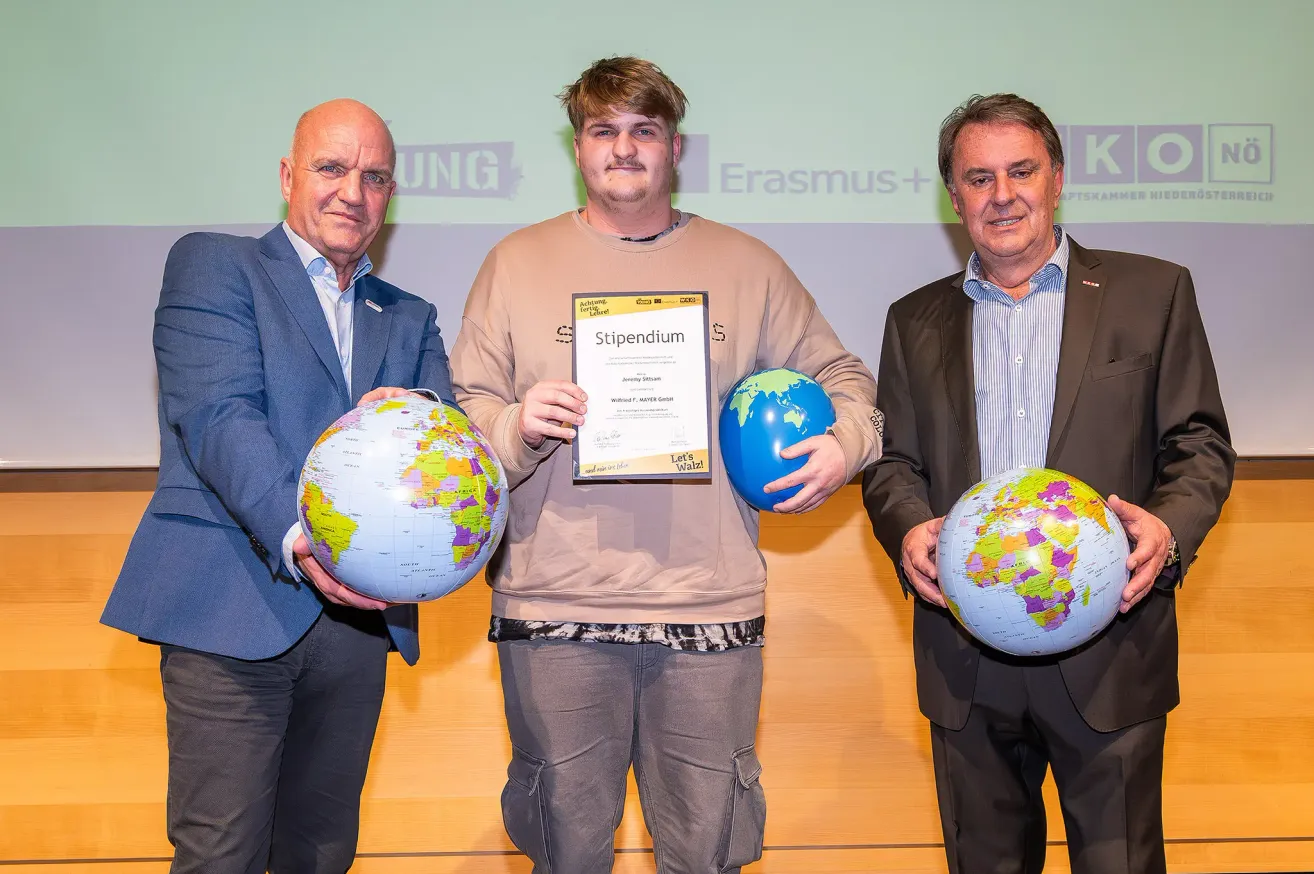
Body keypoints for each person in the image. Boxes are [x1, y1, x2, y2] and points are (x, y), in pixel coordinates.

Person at [449, 56, 880, 873]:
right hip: (552, 610)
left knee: (707, 855)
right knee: (565, 856)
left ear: (674, 148)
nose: (624, 147)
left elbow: (848, 383)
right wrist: (515, 425)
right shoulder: (515, 263)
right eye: (603, 130)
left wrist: (844, 445)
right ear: (577, 148)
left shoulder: (748, 265)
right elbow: (465, 416)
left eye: (644, 130)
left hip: (708, 609)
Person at [862, 93, 1235, 874]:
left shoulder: (1152, 293)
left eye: (1021, 171)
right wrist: (906, 529)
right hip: (965, 663)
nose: (1003, 195)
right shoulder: (912, 319)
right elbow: (894, 463)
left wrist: (1168, 531)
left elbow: (1198, 444)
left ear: (1056, 179)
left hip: (1111, 653)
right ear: (954, 195)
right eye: (978, 178)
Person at [100, 99, 458, 873]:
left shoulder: (409, 316)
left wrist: (421, 419)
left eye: (374, 176)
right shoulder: (216, 265)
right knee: (221, 854)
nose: (351, 192)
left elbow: (445, 446)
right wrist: (307, 540)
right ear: (289, 176)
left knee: (322, 853)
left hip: (357, 628)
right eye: (331, 168)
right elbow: (219, 417)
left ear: (390, 196)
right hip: (230, 609)